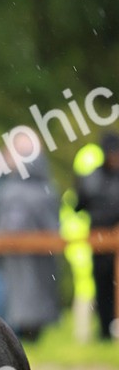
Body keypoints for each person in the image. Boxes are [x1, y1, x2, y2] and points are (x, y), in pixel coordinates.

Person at [0, 127, 61, 342]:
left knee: (11, 309)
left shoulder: (11, 190)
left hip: (12, 259)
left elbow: (6, 227)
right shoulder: (46, 187)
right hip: (26, 260)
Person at [76, 130, 119, 340]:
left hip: (109, 239)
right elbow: (79, 204)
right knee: (103, 287)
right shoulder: (91, 177)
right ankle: (104, 331)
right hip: (98, 242)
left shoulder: (93, 178)